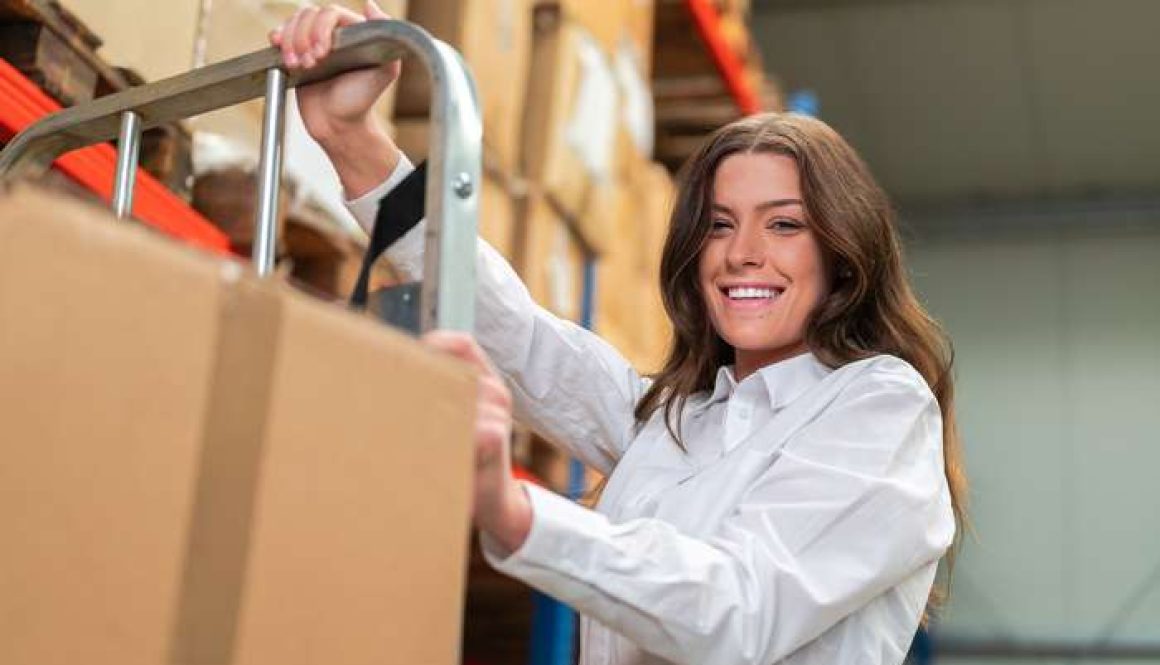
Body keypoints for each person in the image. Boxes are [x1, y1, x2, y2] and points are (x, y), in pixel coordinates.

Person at [271, 4, 968, 664]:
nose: (741, 251)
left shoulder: (881, 407)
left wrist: (516, 512)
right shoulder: (679, 420)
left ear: (843, 253)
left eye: (784, 224)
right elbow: (519, 338)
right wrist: (350, 138)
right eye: (720, 224)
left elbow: (740, 605)